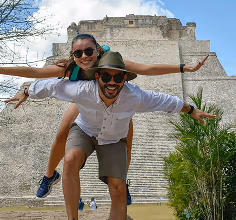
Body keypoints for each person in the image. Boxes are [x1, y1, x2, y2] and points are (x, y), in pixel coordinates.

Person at [11, 50, 216, 220]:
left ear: (125, 79)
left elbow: (166, 100)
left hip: (113, 139)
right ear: (97, 77)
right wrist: (26, 91)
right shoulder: (82, 89)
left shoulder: (134, 96)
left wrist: (192, 110)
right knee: (70, 159)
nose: (111, 82)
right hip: (85, 130)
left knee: (118, 188)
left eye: (118, 77)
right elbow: (51, 86)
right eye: (106, 77)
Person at [3, 33, 209, 202]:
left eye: (89, 51)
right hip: (84, 99)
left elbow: (147, 69)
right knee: (63, 129)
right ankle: (49, 176)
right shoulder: (70, 68)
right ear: (73, 55)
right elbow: (36, 73)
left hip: (116, 101)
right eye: (78, 53)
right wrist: (23, 87)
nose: (84, 56)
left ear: (98, 50)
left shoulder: (111, 64)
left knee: (126, 137)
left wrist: (184, 68)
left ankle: (122, 180)